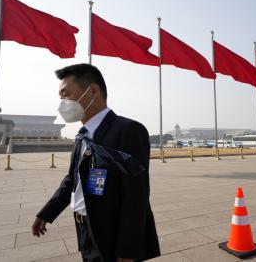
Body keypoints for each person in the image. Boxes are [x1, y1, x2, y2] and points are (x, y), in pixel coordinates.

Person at [31, 64, 160, 262]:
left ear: (92, 91)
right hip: (84, 227)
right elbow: (72, 178)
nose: (62, 103)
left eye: (66, 94)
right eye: (60, 97)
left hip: (112, 234)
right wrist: (47, 212)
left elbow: (136, 195)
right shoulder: (82, 136)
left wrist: (127, 249)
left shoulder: (128, 130)